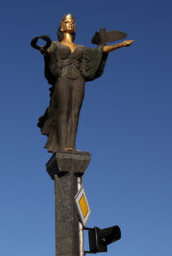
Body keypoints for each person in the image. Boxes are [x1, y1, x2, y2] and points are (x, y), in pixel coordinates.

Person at [33, 13, 133, 153]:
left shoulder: (81, 48)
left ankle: (71, 145)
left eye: (73, 22)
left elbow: (99, 51)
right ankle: (62, 146)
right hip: (63, 77)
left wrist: (120, 45)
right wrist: (45, 51)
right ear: (62, 26)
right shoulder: (56, 45)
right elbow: (49, 52)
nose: (71, 24)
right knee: (63, 111)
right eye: (67, 22)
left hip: (78, 79)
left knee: (75, 112)